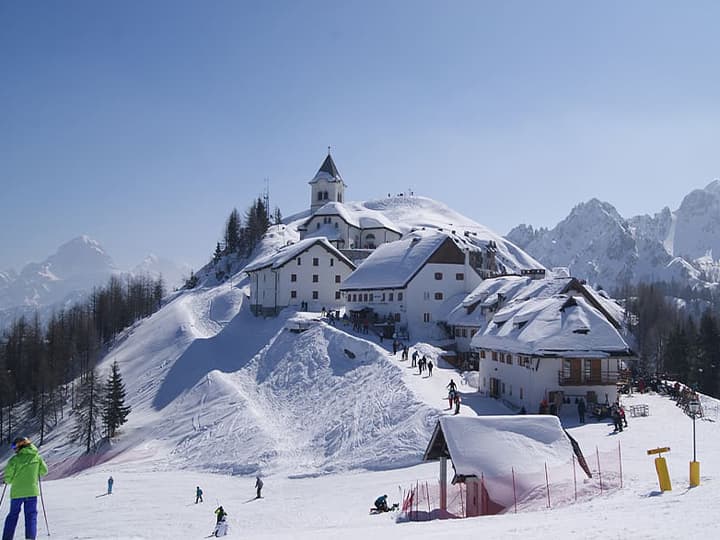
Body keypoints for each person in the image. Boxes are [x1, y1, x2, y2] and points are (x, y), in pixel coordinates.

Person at [2, 436, 48, 540]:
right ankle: (30, 538)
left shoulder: (15, 460)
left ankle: (7, 538)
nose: (14, 449)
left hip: (17, 493)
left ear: (21, 446)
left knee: (13, 515)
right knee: (31, 515)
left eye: (15, 447)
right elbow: (44, 471)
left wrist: (7, 480)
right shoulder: (37, 457)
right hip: (32, 492)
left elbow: (9, 477)